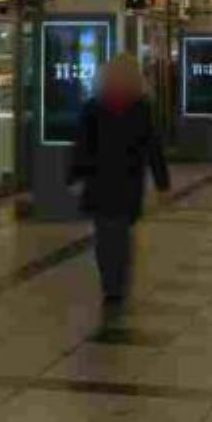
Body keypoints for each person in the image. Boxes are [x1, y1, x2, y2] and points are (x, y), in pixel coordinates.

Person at [68, 55, 170, 306]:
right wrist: (161, 181)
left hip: (101, 181)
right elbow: (153, 147)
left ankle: (111, 283)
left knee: (106, 235)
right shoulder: (139, 108)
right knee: (119, 234)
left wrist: (74, 176)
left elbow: (82, 147)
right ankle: (117, 282)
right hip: (126, 182)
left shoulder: (95, 107)